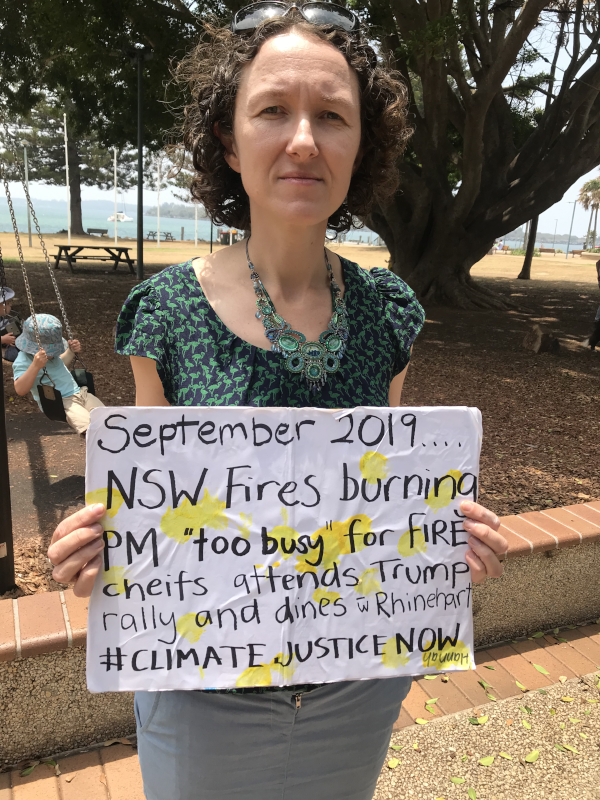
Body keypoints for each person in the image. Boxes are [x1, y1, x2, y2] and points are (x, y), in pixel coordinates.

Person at [47, 7, 508, 800]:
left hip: (356, 685)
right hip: (201, 690)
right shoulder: (164, 312)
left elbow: (382, 485)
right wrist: (100, 550)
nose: (304, 139)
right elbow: (142, 504)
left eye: (332, 116)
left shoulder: (391, 311)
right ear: (228, 140)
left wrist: (443, 539)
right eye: (272, 110)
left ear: (362, 145)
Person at [12, 313, 104, 433]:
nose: (54, 353)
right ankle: (100, 450)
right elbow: (20, 389)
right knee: (91, 430)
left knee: (107, 419)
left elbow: (59, 367)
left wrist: (70, 352)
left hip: (82, 393)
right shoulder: (23, 360)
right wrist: (35, 366)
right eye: (51, 349)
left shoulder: (52, 356)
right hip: (62, 402)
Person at [0, 287, 22, 363]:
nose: (10, 305)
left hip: (10, 344)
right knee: (16, 355)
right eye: (8, 303)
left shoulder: (2, 319)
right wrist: (2, 339)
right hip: (6, 347)